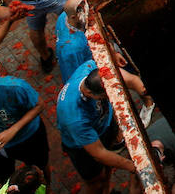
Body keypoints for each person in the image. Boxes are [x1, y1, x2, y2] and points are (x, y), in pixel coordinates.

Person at [57, 63, 149, 194]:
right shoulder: (75, 118)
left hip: (102, 126)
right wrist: (134, 166)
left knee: (107, 169)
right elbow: (99, 153)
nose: (109, 98)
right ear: (89, 92)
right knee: (96, 182)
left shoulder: (89, 67)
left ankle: (107, 189)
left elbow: (127, 77)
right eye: (104, 97)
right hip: (82, 146)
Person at [55, 0, 92, 83]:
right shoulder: (73, 48)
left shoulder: (63, 16)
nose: (87, 13)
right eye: (82, 11)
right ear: (73, 17)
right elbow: (75, 75)